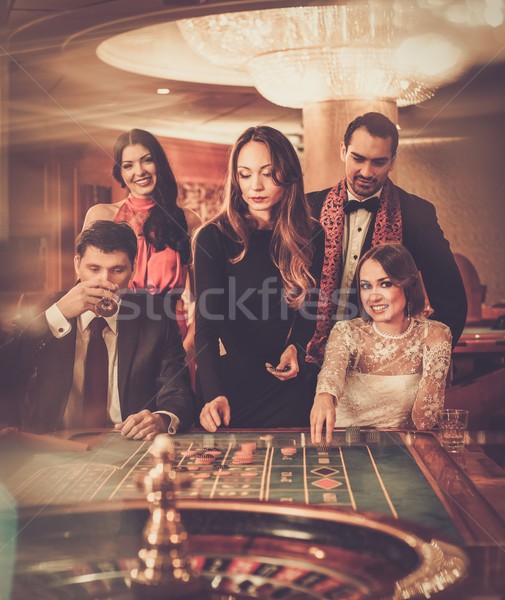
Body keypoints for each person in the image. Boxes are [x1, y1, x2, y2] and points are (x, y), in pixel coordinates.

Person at [0, 221, 195, 439]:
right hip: (53, 444)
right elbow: (6, 373)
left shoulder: (157, 315)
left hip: (127, 445)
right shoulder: (44, 309)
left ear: (133, 267)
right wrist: (58, 315)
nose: (105, 281)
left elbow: (179, 393)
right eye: (94, 269)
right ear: (77, 264)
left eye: (117, 270)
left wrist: (161, 418)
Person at [306, 112, 466, 369]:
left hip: (382, 367)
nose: (367, 172)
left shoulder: (417, 213)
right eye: (358, 158)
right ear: (343, 151)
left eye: (379, 162)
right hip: (309, 364)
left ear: (392, 161)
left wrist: (417, 361)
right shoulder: (306, 207)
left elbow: (452, 304)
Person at [194, 125, 325, 431]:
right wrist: (214, 394)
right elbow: (206, 328)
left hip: (286, 385)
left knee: (290, 475)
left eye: (267, 173)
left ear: (288, 174)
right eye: (245, 174)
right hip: (228, 387)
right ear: (235, 178)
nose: (256, 185)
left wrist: (296, 346)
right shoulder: (213, 238)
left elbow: (311, 308)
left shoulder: (312, 234)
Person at [310, 243, 452, 443]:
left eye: (385, 284)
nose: (374, 297)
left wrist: (433, 351)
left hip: (403, 450)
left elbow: (425, 423)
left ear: (408, 285)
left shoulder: (435, 335)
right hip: (345, 445)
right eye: (366, 286)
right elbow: (331, 372)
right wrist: (324, 395)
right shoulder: (346, 331)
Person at [83, 128, 200, 364]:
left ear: (160, 163)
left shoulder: (189, 221)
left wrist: (189, 344)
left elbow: (204, 296)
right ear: (120, 172)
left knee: (171, 401)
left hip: (173, 337)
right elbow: (85, 285)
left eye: (147, 160)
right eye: (128, 165)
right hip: (116, 329)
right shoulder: (100, 215)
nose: (139, 171)